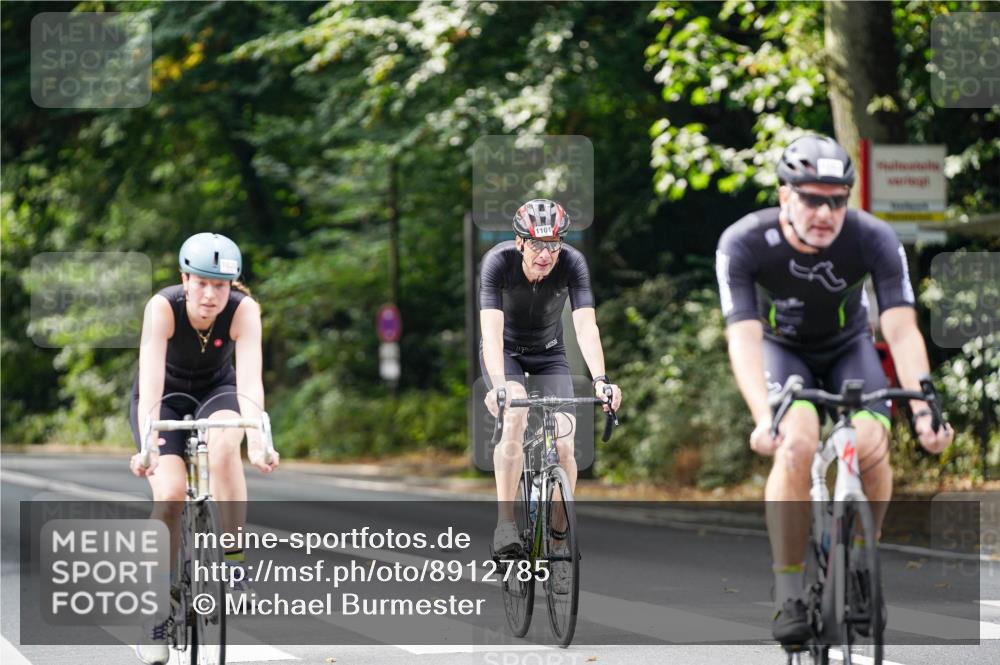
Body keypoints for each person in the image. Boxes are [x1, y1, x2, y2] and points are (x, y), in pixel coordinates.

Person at [715, 134, 953, 647]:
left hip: (850, 348)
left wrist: (924, 409)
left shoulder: (872, 237)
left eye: (837, 199)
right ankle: (789, 592)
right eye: (811, 198)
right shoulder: (744, 242)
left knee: (871, 442)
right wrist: (764, 415)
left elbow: (902, 327)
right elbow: (743, 335)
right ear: (784, 196)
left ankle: (865, 558)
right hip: (783, 352)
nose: (825, 212)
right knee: (797, 443)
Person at [128, 232, 279, 665]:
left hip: (217, 393)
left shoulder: (244, 310)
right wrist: (148, 448)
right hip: (164, 399)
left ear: (232, 285)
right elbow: (151, 381)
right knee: (170, 495)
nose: (211, 294)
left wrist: (258, 442)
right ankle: (157, 609)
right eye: (202, 282)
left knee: (225, 443)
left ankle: (232, 559)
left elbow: (250, 383)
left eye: (221, 285)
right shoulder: (162, 307)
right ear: (185, 278)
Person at [480, 198, 623, 592]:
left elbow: (586, 327)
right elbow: (490, 333)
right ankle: (505, 525)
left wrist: (601, 380)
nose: (546, 255)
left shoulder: (572, 263)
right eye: (538, 245)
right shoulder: (498, 262)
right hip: (505, 354)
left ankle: (560, 544)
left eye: (554, 245)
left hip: (550, 355)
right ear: (520, 242)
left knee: (563, 445)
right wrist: (498, 385)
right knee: (516, 416)